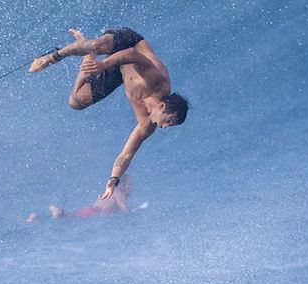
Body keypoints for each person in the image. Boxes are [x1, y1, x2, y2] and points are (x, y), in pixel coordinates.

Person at [28, 27, 189, 202]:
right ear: (162, 106)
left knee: (76, 101)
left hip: (120, 71)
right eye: (168, 121)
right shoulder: (158, 79)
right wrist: (102, 65)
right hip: (128, 44)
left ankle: (85, 51)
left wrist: (113, 180)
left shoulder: (146, 124)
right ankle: (55, 56)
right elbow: (132, 54)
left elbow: (126, 154)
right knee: (97, 45)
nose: (164, 127)